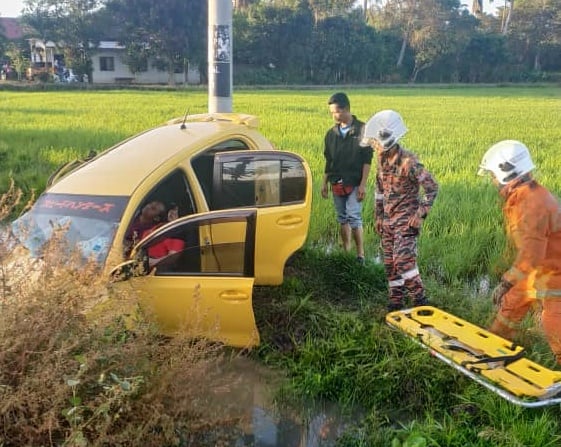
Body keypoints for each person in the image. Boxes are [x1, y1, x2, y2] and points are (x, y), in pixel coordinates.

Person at [478, 140, 561, 366]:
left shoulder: (532, 204)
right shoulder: (522, 197)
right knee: (511, 305)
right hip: (538, 271)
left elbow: (531, 256)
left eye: (493, 175)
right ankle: (494, 350)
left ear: (506, 172)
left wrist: (506, 281)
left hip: (555, 274)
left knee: (555, 325)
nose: (493, 180)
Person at [360, 110, 438, 311]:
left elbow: (432, 187)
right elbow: (379, 188)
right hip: (387, 220)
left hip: (406, 220)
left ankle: (420, 301)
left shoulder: (409, 162)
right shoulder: (382, 160)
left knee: (403, 261)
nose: (373, 146)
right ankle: (396, 302)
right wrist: (378, 216)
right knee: (390, 264)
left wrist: (420, 214)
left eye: (375, 143)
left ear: (386, 141)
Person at [321, 92, 372, 263]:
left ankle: (360, 255)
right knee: (342, 218)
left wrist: (363, 185)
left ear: (345, 109)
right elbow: (329, 160)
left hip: (355, 181)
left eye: (335, 112)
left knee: (354, 217)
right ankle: (346, 251)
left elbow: (367, 161)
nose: (333, 115)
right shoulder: (331, 134)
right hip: (336, 181)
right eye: (332, 113)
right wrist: (324, 183)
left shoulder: (362, 130)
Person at [142, 202, 185, 267]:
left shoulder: (177, 234)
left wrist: (152, 262)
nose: (173, 213)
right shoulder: (151, 229)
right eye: (172, 210)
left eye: (176, 211)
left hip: (159, 270)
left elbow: (172, 257)